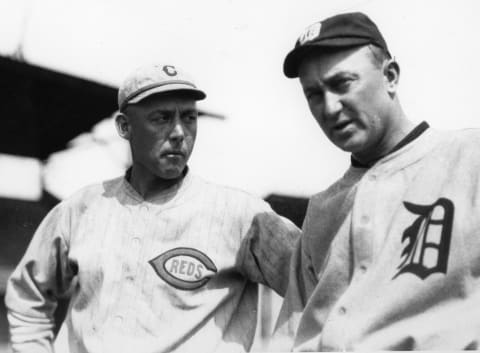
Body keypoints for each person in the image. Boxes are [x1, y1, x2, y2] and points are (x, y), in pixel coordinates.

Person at [5, 63, 301, 353]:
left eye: (189, 118)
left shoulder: (242, 214)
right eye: (161, 118)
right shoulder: (80, 208)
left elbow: (324, 290)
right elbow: (27, 294)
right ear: (124, 127)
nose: (179, 132)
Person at [272, 11, 480, 351]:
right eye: (313, 94)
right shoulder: (323, 210)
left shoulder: (469, 159)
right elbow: (288, 335)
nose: (330, 107)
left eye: (342, 84)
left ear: (391, 77)